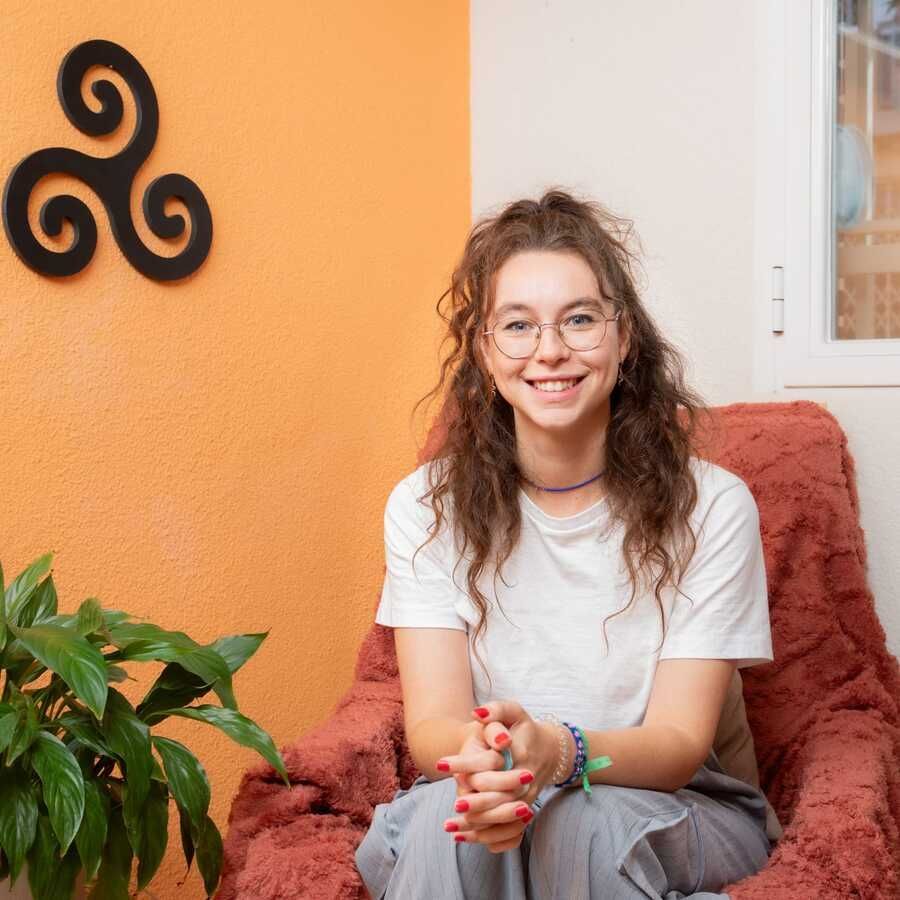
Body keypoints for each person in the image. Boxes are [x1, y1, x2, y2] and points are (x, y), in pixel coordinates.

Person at [354, 189, 777, 899]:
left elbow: (677, 745)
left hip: (678, 802)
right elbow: (432, 726)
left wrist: (559, 754)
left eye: (579, 319)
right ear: (484, 352)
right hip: (499, 778)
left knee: (576, 826)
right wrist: (494, 769)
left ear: (624, 338)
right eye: (517, 325)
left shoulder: (714, 506)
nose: (550, 350)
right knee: (448, 825)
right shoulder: (424, 507)